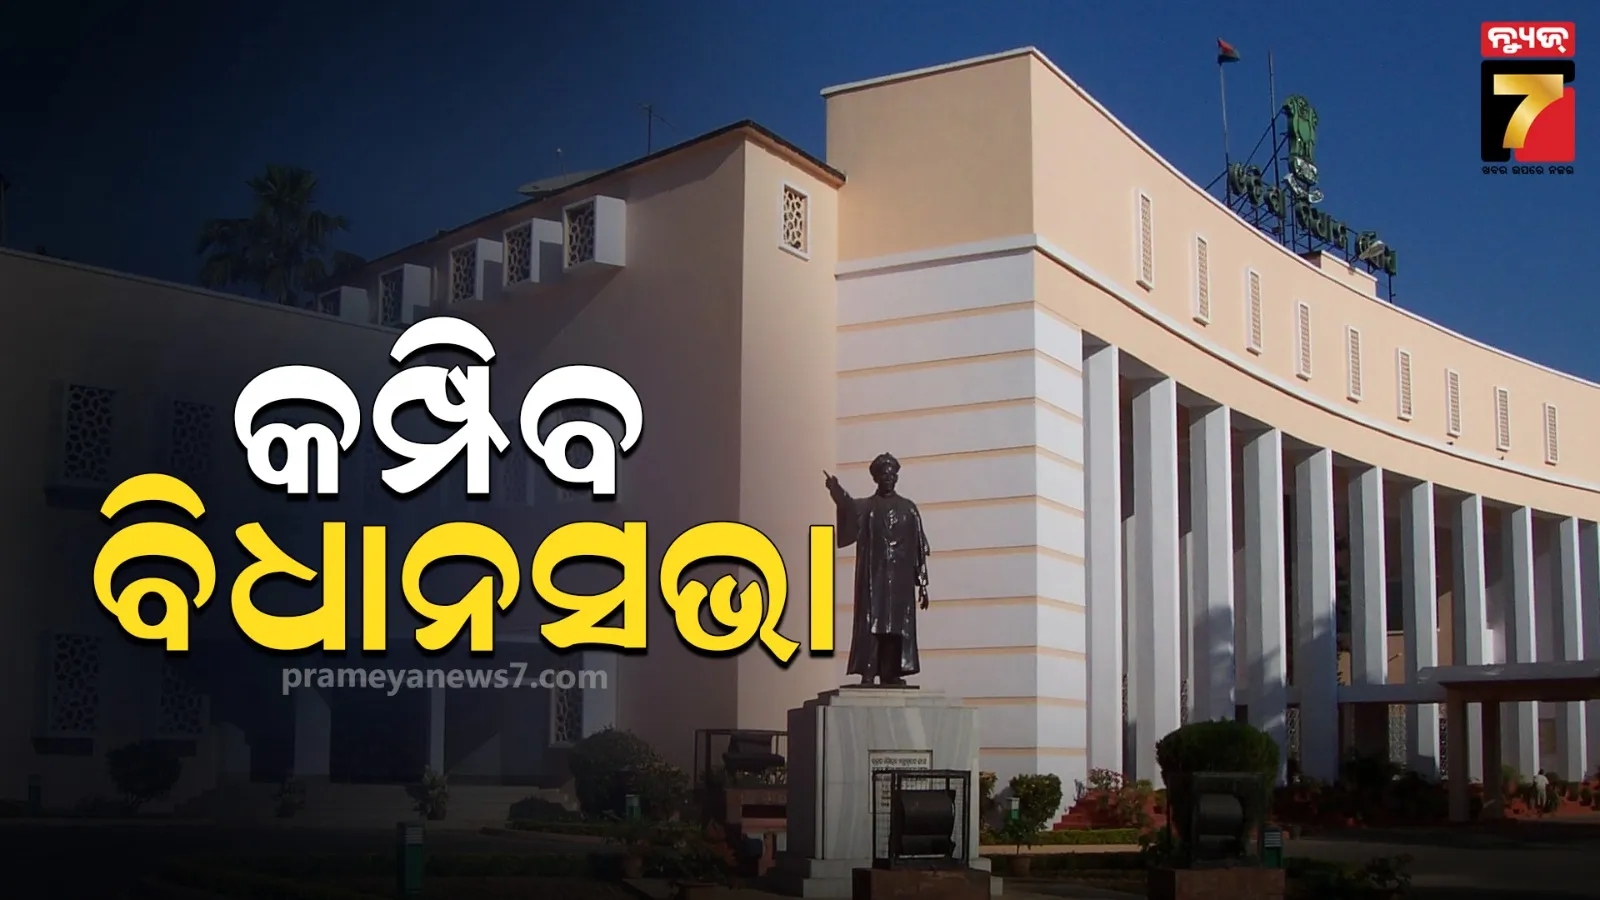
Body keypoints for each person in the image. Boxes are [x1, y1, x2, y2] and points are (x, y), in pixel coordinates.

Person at [823, 453, 931, 686]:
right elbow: (848, 507)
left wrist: (922, 584)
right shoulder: (867, 507)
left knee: (896, 627)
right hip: (873, 577)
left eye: (892, 475)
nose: (888, 479)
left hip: (901, 580)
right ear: (876, 478)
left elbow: (919, 548)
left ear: (896, 477)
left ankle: (891, 672)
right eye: (884, 475)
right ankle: (869, 671)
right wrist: (836, 491)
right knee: (872, 623)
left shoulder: (908, 509)